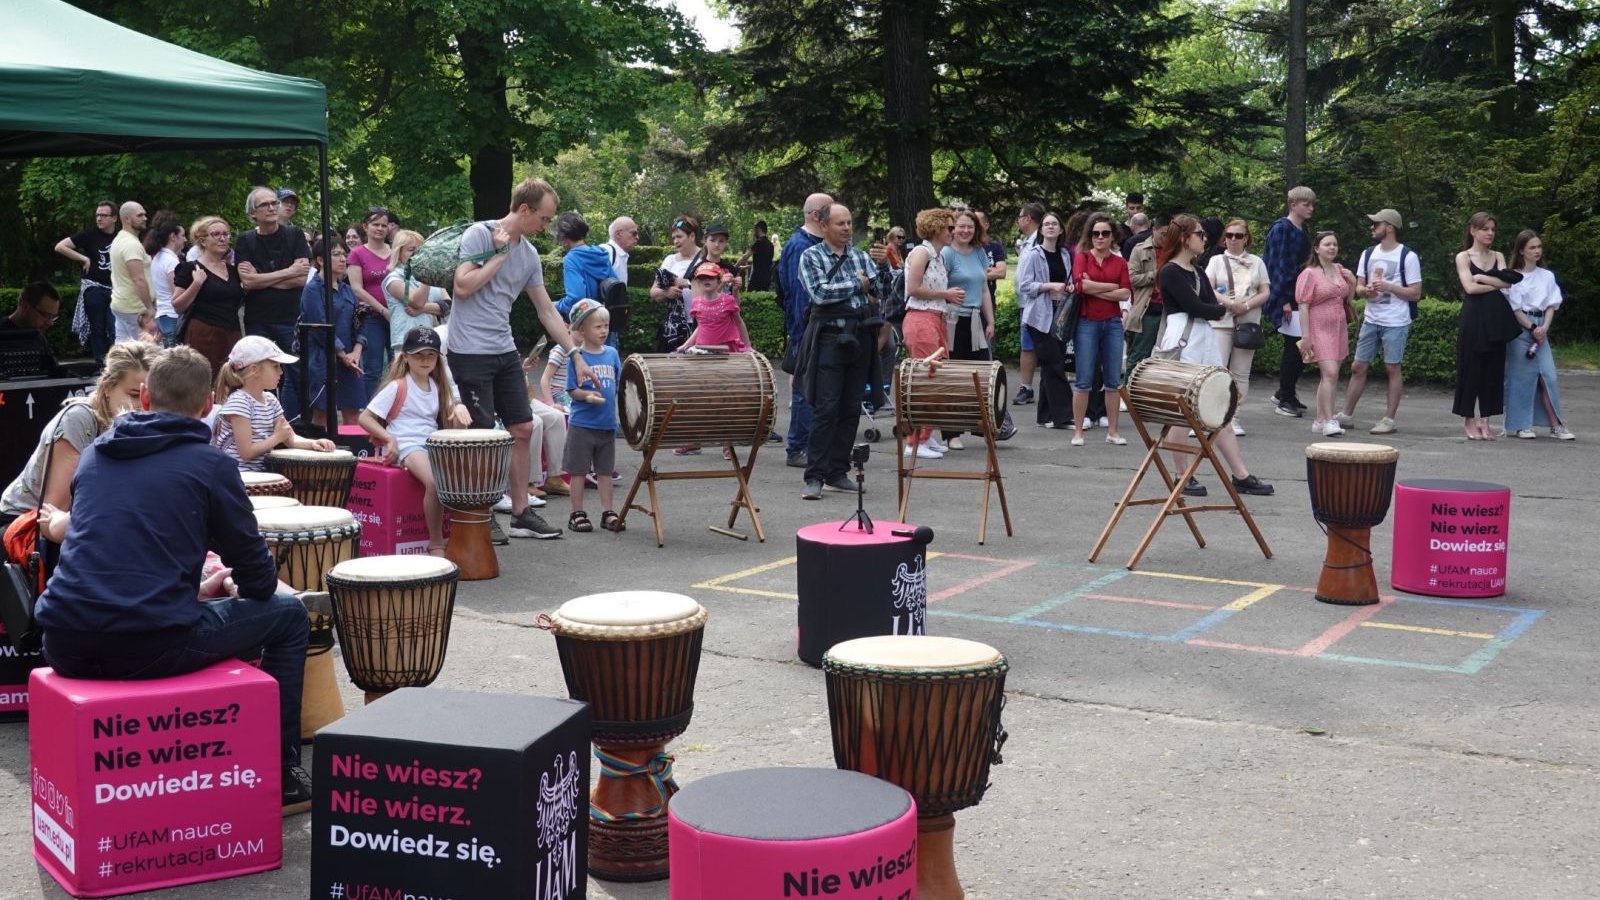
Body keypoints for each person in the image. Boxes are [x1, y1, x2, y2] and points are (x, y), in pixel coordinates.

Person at [34, 345, 314, 815]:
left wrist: (195, 591)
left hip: (63, 642)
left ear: (143, 398)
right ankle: (281, 774)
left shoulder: (97, 455)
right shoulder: (212, 465)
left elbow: (116, 553)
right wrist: (227, 585)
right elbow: (260, 584)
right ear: (208, 405)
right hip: (148, 645)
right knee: (288, 615)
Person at [450, 176, 584, 541]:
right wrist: (498, 253)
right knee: (481, 437)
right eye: (542, 218)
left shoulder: (529, 254)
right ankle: (481, 511)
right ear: (524, 210)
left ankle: (521, 512)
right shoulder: (481, 234)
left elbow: (546, 310)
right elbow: (462, 287)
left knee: (522, 428)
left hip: (503, 348)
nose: (546, 227)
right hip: (470, 349)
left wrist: (575, 354)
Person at [1, 342, 153, 576]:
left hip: (81, 524)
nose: (143, 406)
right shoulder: (80, 419)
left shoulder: (143, 428)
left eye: (151, 398)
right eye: (134, 394)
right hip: (24, 526)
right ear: (107, 387)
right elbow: (51, 518)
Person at [1154, 216, 1274, 497]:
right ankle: (1181, 474)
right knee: (1181, 410)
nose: (1205, 238)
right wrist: (1223, 309)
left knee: (1222, 404)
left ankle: (1240, 474)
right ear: (1184, 237)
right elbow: (1198, 306)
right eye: (1199, 234)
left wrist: (1218, 307)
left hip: (1203, 337)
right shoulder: (1170, 271)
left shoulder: (1196, 270)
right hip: (1183, 339)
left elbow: (1207, 303)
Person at [795, 203, 891, 499]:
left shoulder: (861, 255)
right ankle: (815, 475)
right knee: (826, 407)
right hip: (829, 340)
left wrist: (885, 267)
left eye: (849, 222)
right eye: (840, 223)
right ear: (823, 226)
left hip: (860, 339)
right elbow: (821, 294)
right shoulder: (810, 256)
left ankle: (838, 471)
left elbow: (885, 293)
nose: (847, 228)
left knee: (851, 408)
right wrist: (858, 283)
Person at [360, 326, 472, 555]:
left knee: (463, 477)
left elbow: (451, 420)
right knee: (434, 482)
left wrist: (458, 408)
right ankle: (436, 542)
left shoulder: (437, 387)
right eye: (418, 355)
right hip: (407, 444)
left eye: (430, 355)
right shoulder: (397, 386)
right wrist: (389, 438)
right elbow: (365, 417)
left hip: (432, 444)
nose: (425, 360)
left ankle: (463, 535)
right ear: (406, 357)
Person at [1336, 209, 1421, 436]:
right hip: (1372, 318)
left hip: (1396, 320)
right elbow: (1360, 287)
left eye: (1376, 224)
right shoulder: (1368, 253)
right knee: (1357, 366)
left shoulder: (1408, 257)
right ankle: (1345, 415)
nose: (1372, 228)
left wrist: (1390, 287)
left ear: (1389, 227)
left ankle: (1389, 419)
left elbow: (1415, 293)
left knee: (1392, 367)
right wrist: (1366, 292)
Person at [236, 186, 311, 420]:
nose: (272, 207)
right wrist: (287, 271)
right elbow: (247, 282)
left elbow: (302, 278)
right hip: (259, 318)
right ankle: (261, 421)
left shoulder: (294, 235)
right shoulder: (245, 240)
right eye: (265, 205)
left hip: (290, 317)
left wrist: (262, 279)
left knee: (296, 373)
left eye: (273, 203)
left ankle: (296, 423)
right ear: (252, 214)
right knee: (258, 372)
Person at [212, 335, 336, 471]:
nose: (281, 372)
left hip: (261, 474)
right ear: (254, 370)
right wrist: (277, 438)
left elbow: (290, 438)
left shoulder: (270, 400)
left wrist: (313, 443)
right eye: (275, 366)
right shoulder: (239, 402)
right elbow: (246, 452)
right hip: (238, 476)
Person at [1453, 212, 1522, 440]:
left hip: (1495, 317)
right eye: (1485, 229)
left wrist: (1483, 279)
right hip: (1473, 316)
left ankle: (1486, 419)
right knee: (1470, 366)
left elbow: (1507, 283)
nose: (1490, 233)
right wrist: (1494, 283)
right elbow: (1470, 288)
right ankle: (1469, 419)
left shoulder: (1498, 255)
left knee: (1493, 369)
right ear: (1473, 230)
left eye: (1493, 229)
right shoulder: (1463, 256)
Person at [1503, 230, 1574, 440]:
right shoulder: (1514, 276)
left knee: (1548, 376)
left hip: (1542, 327)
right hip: (1522, 329)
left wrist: (1544, 328)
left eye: (1539, 247)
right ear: (1522, 250)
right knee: (1521, 378)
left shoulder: (1547, 275)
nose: (1537, 251)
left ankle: (1556, 424)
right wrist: (1533, 328)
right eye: (1532, 247)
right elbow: (1515, 309)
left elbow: (1552, 304)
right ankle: (1521, 425)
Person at [900, 207, 959, 459]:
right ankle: (914, 442)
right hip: (921, 319)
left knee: (936, 377)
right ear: (935, 229)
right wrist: (946, 295)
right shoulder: (922, 252)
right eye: (949, 228)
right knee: (927, 380)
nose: (953, 232)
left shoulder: (938, 256)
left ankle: (926, 434)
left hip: (935, 318)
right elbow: (912, 288)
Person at [778, 193, 832, 468]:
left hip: (811, 329)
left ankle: (808, 446)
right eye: (830, 212)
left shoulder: (813, 244)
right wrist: (803, 334)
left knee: (812, 389)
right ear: (816, 216)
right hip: (808, 330)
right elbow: (799, 295)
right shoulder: (801, 247)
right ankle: (798, 448)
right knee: (804, 389)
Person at [1204, 219, 1270, 436]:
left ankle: (1234, 416)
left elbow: (1265, 291)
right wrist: (1230, 304)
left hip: (1248, 321)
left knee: (1241, 373)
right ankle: (1210, 417)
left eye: (1238, 235)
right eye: (1230, 235)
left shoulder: (1257, 262)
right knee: (1217, 371)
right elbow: (1208, 288)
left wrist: (1247, 305)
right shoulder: (1215, 260)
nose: (1233, 239)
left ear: (1246, 238)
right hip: (1221, 320)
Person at [562, 300, 623, 533]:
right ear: (582, 330)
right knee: (578, 471)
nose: (604, 331)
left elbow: (618, 383)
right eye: (597, 327)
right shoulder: (576, 357)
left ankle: (608, 511)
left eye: (606, 326)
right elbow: (572, 390)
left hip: (606, 423)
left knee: (605, 471)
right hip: (582, 424)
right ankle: (576, 512)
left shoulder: (612, 354)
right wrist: (587, 397)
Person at [1070, 213, 1129, 447]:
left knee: (1113, 380)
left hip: (1113, 323)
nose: (1100, 237)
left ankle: (1113, 431)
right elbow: (1080, 285)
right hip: (1087, 322)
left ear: (1113, 236)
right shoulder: (1082, 257)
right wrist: (1110, 287)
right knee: (1083, 378)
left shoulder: (1120, 262)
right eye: (1096, 233)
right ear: (1090, 236)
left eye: (1105, 233)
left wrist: (1094, 288)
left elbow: (1125, 293)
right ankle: (1077, 431)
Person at [1014, 211, 1074, 431]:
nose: (1050, 227)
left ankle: (1045, 415)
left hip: (1060, 315)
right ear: (1041, 230)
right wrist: (1048, 286)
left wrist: (1068, 287)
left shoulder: (1065, 254)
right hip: (1039, 317)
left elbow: (1068, 279)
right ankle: (1064, 415)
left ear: (1060, 230)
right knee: (1054, 363)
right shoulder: (1032, 254)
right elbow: (1024, 286)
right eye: (1046, 224)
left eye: (1054, 224)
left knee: (1052, 364)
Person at [299, 238, 367, 427]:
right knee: (323, 414)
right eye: (336, 254)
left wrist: (357, 351)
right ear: (320, 260)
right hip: (323, 358)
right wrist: (343, 355)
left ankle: (353, 454)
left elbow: (360, 322)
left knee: (353, 413)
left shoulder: (347, 289)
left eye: (344, 254)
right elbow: (318, 326)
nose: (343, 259)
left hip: (351, 360)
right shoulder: (313, 290)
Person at [1295, 231, 1357, 436]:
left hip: (1338, 326)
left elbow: (1347, 299)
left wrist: (1353, 282)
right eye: (1327, 244)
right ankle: (1330, 420)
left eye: (1335, 244)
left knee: (1330, 376)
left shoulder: (1340, 270)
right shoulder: (1309, 273)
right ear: (1316, 248)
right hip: (1318, 327)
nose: (1332, 248)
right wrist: (1305, 336)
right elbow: (1303, 305)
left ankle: (1320, 419)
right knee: (1330, 373)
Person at [1264, 186, 1316, 417]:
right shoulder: (1281, 229)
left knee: (1299, 346)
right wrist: (1283, 298)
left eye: (1312, 204)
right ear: (1293, 204)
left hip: (1299, 296)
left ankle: (1286, 391)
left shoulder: (1302, 229)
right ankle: (1285, 397)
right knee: (1294, 347)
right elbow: (1276, 265)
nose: (1311, 208)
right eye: (1306, 204)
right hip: (1286, 297)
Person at [172, 215, 245, 377]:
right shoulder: (190, 268)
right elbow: (178, 306)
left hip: (232, 333)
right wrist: (196, 284)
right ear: (202, 241)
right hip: (204, 333)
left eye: (226, 234)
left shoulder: (233, 270)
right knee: (203, 381)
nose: (222, 239)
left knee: (231, 382)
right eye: (216, 234)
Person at [54, 200, 118, 364]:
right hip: (94, 287)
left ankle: (116, 363)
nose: (99, 218)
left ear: (114, 218)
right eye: (97, 215)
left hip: (116, 290)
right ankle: (100, 363)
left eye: (103, 215)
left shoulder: (121, 238)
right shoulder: (89, 235)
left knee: (114, 327)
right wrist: (83, 258)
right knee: (97, 328)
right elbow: (60, 246)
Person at [348, 207, 395, 399]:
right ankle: (370, 414)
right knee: (373, 369)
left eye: (384, 225)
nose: (380, 228)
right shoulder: (357, 254)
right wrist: (383, 310)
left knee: (398, 366)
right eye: (376, 224)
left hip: (398, 317)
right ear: (366, 227)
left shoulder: (395, 251)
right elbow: (357, 288)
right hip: (372, 319)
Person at [384, 228, 449, 354]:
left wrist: (423, 309)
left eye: (420, 250)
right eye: (411, 250)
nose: (417, 254)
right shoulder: (393, 279)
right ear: (399, 252)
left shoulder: (433, 277)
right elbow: (416, 301)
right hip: (406, 343)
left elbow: (448, 306)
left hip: (433, 340)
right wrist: (428, 277)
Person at [650, 215, 704, 352]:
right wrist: (666, 292)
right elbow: (653, 292)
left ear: (692, 236)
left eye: (679, 237)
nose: (675, 241)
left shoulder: (705, 258)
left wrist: (686, 283)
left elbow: (716, 289)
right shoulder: (670, 260)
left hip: (701, 324)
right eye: (674, 237)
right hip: (675, 326)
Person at [1012, 202, 1044, 405]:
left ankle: (1035, 386)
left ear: (1028, 219)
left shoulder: (1040, 241)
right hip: (1025, 301)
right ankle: (1027, 386)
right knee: (1027, 345)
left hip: (1038, 301)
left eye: (1020, 216)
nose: (1019, 220)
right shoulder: (1027, 242)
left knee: (1035, 345)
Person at [680, 261, 752, 353]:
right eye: (702, 278)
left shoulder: (728, 300)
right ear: (698, 283)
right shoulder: (696, 303)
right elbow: (701, 326)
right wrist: (686, 344)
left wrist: (748, 346)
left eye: (710, 277)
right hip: (703, 350)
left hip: (726, 351)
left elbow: (739, 322)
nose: (706, 280)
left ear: (718, 280)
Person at [108, 201, 153, 343]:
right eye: (140, 215)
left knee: (122, 351)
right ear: (126, 219)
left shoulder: (120, 239)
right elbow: (138, 279)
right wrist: (149, 308)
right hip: (135, 309)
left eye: (145, 214)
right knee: (145, 353)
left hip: (122, 305)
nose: (145, 218)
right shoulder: (131, 244)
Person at [1123, 216, 1162, 377]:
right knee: (1138, 358)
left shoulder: (1177, 250)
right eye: (1163, 233)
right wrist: (1156, 275)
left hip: (1170, 311)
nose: (1166, 238)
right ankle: (1127, 398)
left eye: (1170, 234)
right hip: (1147, 308)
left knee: (1164, 360)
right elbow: (1131, 279)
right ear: (1154, 229)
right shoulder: (1139, 249)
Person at [556, 212, 616, 316]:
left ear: (564, 238)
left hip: (589, 323)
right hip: (607, 320)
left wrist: (556, 305)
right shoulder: (600, 253)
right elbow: (614, 283)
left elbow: (576, 298)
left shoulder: (572, 258)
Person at [142, 212, 185, 347]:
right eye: (182, 236)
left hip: (162, 313)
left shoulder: (158, 257)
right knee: (174, 358)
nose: (185, 240)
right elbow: (176, 294)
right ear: (173, 237)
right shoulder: (171, 261)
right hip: (172, 315)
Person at [736, 220, 776, 291]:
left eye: (755, 230)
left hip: (756, 280)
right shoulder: (771, 245)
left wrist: (734, 267)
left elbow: (745, 257)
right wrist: (745, 267)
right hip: (767, 279)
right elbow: (763, 264)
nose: (754, 232)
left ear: (759, 229)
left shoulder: (758, 243)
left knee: (750, 300)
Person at [603, 216, 639, 283]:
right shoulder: (606, 251)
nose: (637, 237)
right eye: (634, 233)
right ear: (618, 234)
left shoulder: (620, 254)